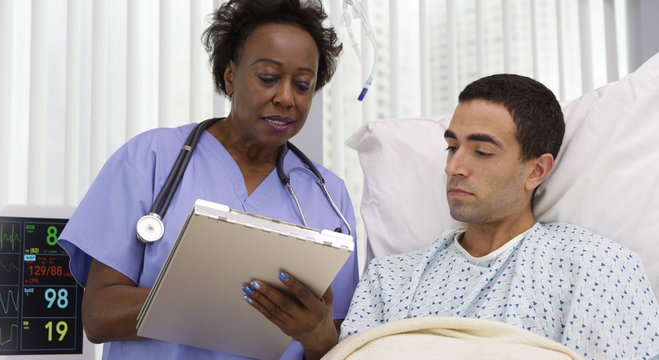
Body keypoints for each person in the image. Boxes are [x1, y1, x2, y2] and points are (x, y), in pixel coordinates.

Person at [58, 1, 359, 359]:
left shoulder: (328, 196)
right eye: (268, 78)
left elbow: (342, 344)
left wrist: (317, 336)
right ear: (230, 75)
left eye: (303, 84)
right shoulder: (150, 160)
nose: (286, 98)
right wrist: (220, 302)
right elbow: (98, 315)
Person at [339, 74, 659, 359]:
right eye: (452, 147)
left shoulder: (597, 269)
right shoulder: (390, 279)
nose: (453, 167)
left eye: (482, 152)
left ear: (536, 171)